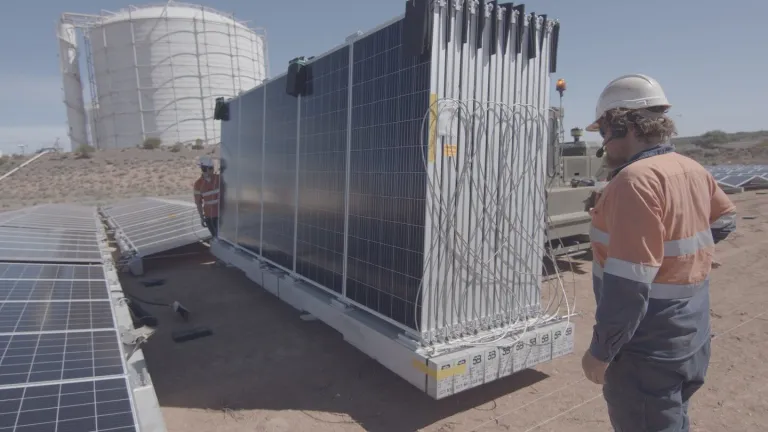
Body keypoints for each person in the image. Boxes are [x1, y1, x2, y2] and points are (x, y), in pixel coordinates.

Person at [581, 74, 737, 431]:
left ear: (623, 125)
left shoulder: (634, 181)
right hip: (690, 336)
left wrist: (600, 353)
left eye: (604, 132)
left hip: (646, 350)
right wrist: (679, 255)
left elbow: (628, 288)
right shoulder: (690, 168)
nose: (604, 145)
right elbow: (725, 220)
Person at [193, 155, 221, 238]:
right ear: (205, 169)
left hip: (223, 215)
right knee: (217, 238)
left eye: (213, 168)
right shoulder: (198, 184)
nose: (213, 170)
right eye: (211, 168)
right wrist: (202, 217)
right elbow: (198, 203)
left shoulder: (219, 178)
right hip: (210, 217)